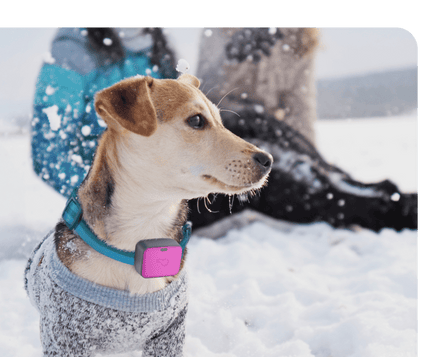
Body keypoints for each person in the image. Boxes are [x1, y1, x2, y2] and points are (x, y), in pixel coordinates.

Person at [31, 26, 419, 232]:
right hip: (129, 199)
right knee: (277, 178)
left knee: (270, 143)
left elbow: (193, 107)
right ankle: (391, 210)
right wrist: (108, 194)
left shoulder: (153, 42)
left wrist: (312, 159)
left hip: (175, 178)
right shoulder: (72, 52)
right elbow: (47, 152)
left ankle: (353, 189)